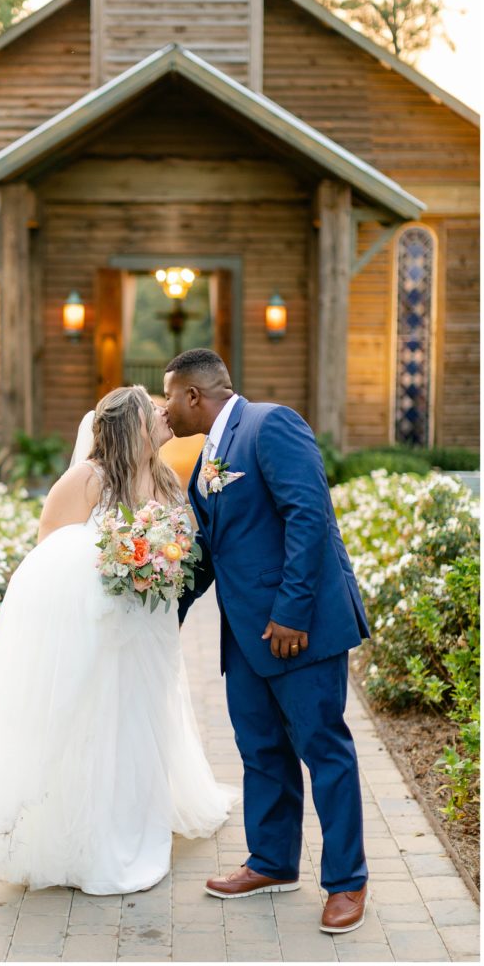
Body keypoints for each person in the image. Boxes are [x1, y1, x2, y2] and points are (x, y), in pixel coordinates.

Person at [0, 384, 238, 895]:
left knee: (140, 718)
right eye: (152, 410)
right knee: (95, 720)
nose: (163, 413)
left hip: (148, 624)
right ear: (131, 425)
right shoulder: (88, 478)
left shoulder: (165, 478)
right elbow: (49, 551)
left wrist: (161, 560)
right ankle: (87, 836)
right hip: (97, 625)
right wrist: (118, 562)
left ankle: (134, 818)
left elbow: (183, 542)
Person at [163, 348, 370, 934]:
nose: (165, 409)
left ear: (195, 396)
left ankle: (347, 882)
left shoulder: (271, 424)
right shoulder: (208, 452)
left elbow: (309, 515)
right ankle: (273, 862)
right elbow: (213, 546)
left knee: (323, 750)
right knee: (261, 750)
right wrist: (162, 610)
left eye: (169, 397)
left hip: (295, 629)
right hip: (246, 635)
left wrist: (292, 613)